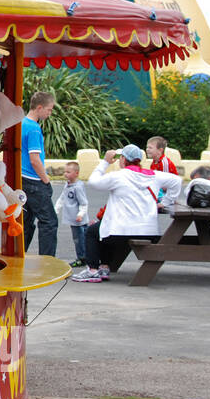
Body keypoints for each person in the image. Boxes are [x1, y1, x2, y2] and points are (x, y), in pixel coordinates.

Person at [72, 145, 182, 281]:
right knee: (101, 228)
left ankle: (93, 269)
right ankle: (104, 267)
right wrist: (165, 202)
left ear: (123, 159)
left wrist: (105, 162)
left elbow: (93, 182)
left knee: (93, 232)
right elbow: (177, 181)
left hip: (120, 231)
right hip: (149, 231)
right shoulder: (153, 176)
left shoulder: (118, 176)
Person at [20, 90, 57, 256]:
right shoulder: (34, 129)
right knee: (49, 221)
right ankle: (48, 260)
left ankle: (19, 254)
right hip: (34, 180)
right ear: (39, 107)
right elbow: (35, 159)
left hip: (23, 178)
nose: (50, 113)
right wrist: (46, 180)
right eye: (49, 109)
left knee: (27, 222)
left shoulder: (21, 123)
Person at [54, 160, 89, 266]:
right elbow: (62, 198)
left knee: (80, 239)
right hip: (72, 219)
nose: (66, 174)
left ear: (76, 173)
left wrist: (80, 214)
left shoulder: (78, 187)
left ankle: (82, 258)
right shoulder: (67, 185)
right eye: (65, 171)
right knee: (78, 239)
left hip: (78, 220)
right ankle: (83, 257)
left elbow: (84, 202)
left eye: (68, 172)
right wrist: (56, 209)